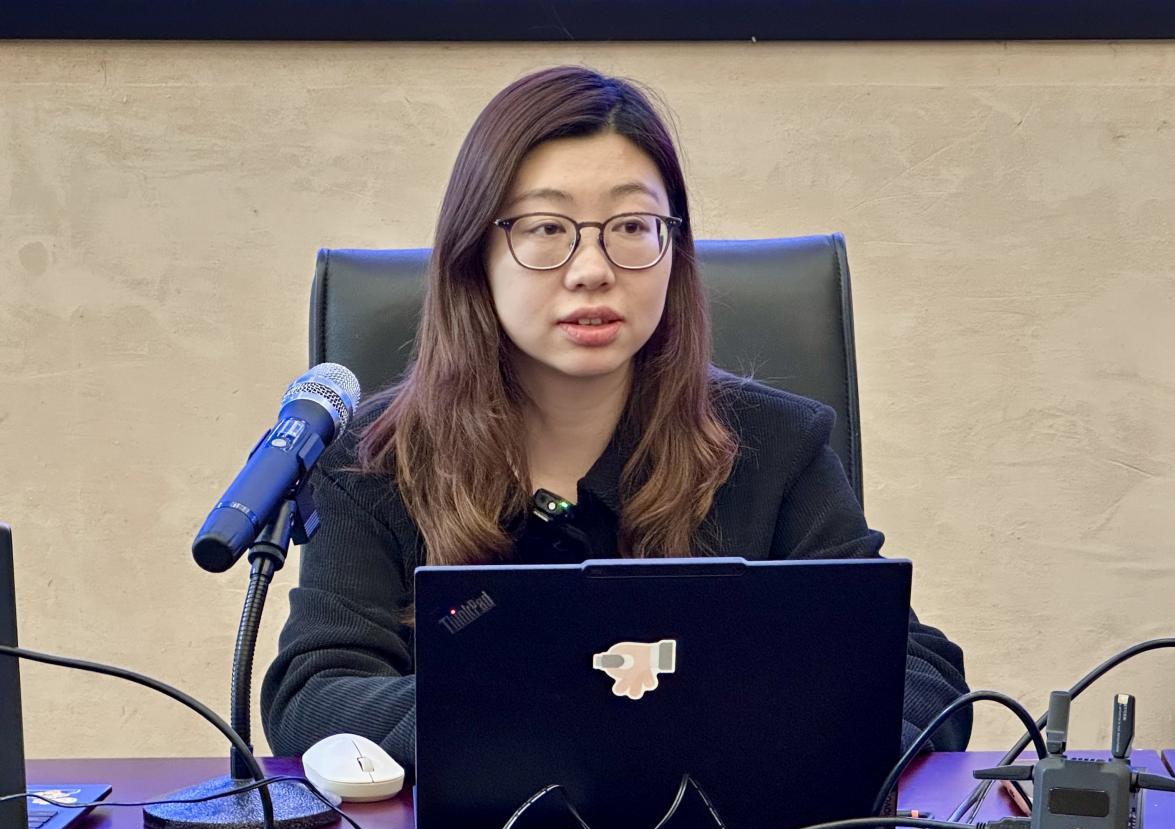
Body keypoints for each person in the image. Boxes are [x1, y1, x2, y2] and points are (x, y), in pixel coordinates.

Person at [261, 65, 971, 768]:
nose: (592, 269)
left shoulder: (776, 446)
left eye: (632, 225)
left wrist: (729, 721)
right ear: (475, 254)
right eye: (547, 227)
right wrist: (553, 714)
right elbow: (316, 695)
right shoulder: (374, 461)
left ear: (674, 248)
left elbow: (916, 671)